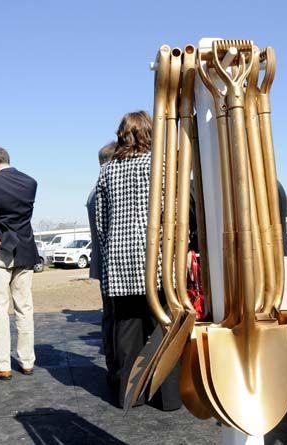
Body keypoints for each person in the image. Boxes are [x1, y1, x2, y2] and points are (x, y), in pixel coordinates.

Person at [96, 111, 181, 410]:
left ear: (122, 134)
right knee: (162, 328)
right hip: (155, 258)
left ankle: (129, 396)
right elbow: (172, 213)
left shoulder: (107, 171)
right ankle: (168, 397)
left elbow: (101, 222)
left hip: (120, 261)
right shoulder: (161, 167)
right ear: (149, 132)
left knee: (127, 332)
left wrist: (110, 256)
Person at [0, 146, 39, 380]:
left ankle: (2, 365)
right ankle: (27, 361)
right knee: (24, 308)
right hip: (24, 248)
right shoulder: (30, 182)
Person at [86, 141, 117, 387]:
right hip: (110, 265)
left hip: (104, 264)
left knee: (111, 317)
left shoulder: (95, 191)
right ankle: (114, 368)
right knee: (113, 319)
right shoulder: (102, 190)